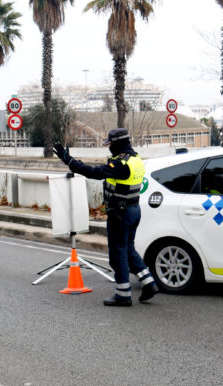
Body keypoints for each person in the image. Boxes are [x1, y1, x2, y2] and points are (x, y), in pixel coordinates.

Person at [53, 128, 158, 307]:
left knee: (118, 253)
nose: (109, 148)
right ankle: (148, 283)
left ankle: (123, 294)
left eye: (110, 144)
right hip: (134, 210)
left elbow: (94, 172)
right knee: (128, 249)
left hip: (120, 213)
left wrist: (69, 161)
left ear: (117, 143)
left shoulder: (121, 164)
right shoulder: (136, 160)